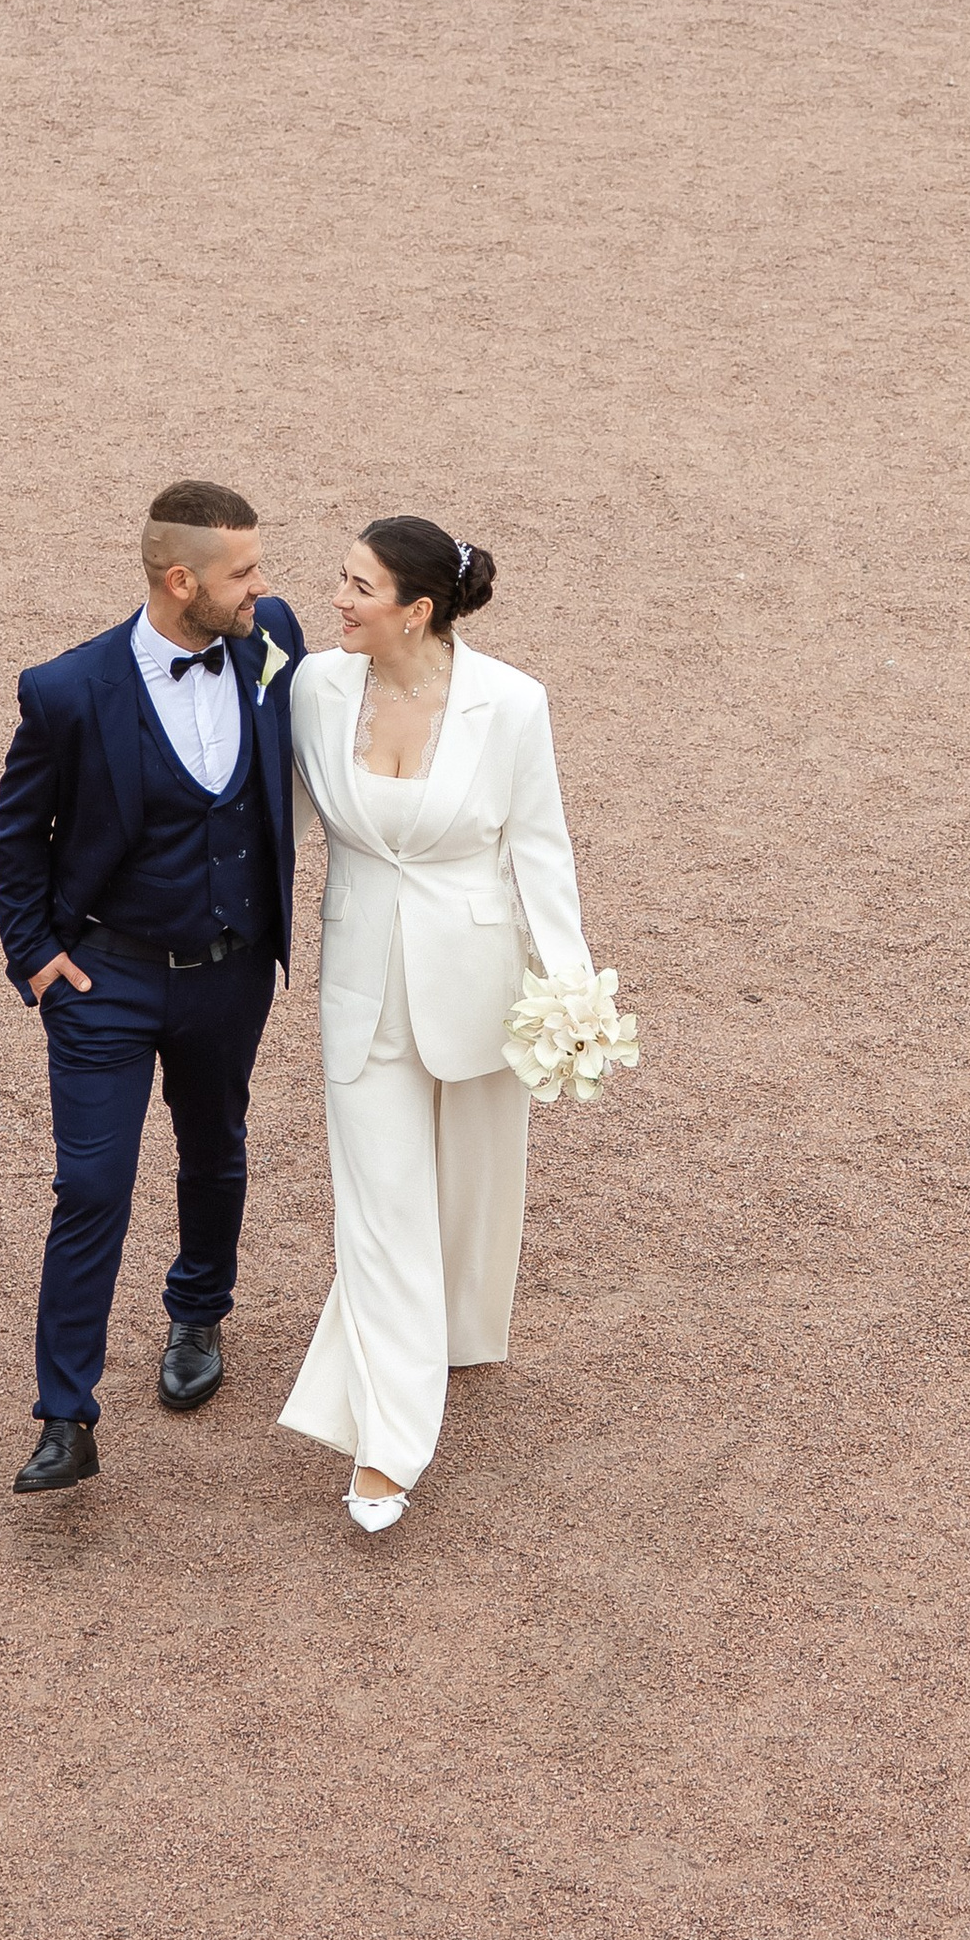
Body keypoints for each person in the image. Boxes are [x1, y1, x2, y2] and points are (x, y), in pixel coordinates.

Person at [278, 520, 593, 1533]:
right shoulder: (315, 690)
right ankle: (390, 1442)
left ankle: (458, 1332)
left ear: (417, 609)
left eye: (358, 586)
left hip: (478, 977)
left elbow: (538, 849)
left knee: (476, 1182)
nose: (336, 600)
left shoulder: (511, 702)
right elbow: (268, 828)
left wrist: (574, 994)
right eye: (341, 579)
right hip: (359, 985)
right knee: (381, 1211)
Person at [0, 481, 306, 1495]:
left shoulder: (271, 639)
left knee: (215, 1150)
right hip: (110, 983)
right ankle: (64, 1415)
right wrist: (38, 958)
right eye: (243, 572)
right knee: (89, 1187)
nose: (264, 587)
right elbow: (16, 838)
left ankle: (198, 1309)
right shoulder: (67, 690)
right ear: (182, 582)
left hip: (228, 973)